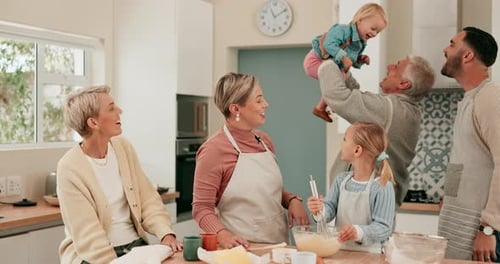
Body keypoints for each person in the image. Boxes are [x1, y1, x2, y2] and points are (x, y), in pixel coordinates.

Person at [57, 85, 182, 264]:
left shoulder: (123, 148)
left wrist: (166, 234)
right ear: (93, 123)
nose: (120, 111)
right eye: (111, 108)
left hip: (135, 247)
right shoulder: (69, 167)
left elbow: (147, 198)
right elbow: (88, 235)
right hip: (93, 257)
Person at [192, 72, 310, 249]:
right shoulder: (213, 151)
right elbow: (201, 207)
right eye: (259, 100)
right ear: (235, 109)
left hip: (278, 246)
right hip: (242, 249)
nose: (266, 104)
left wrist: (292, 200)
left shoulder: (264, 141)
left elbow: (266, 192)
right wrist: (222, 235)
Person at [317, 55, 435, 208]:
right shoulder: (405, 111)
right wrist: (343, 67)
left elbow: (338, 96)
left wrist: (329, 61)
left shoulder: (390, 109)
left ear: (404, 83)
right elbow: (357, 101)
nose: (389, 67)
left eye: (396, 66)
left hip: (362, 202)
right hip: (370, 201)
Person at [437, 26, 500, 262]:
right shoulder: (469, 100)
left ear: (467, 55)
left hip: (484, 236)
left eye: (452, 44)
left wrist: (489, 228)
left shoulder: (490, 96)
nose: (445, 49)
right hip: (461, 228)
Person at [307, 122, 395, 252]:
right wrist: (320, 210)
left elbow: (383, 227)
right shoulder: (341, 180)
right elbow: (330, 208)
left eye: (344, 139)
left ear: (357, 150)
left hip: (370, 256)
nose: (341, 144)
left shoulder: (382, 186)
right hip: (340, 251)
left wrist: (357, 232)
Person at [303, 2, 387, 122]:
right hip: (315, 60)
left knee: (347, 83)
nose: (374, 33)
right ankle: (324, 107)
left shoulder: (360, 43)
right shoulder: (342, 30)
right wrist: (343, 57)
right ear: (360, 20)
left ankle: (327, 106)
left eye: (377, 32)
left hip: (329, 65)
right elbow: (328, 44)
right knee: (339, 79)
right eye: (373, 28)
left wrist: (360, 60)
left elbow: (350, 60)